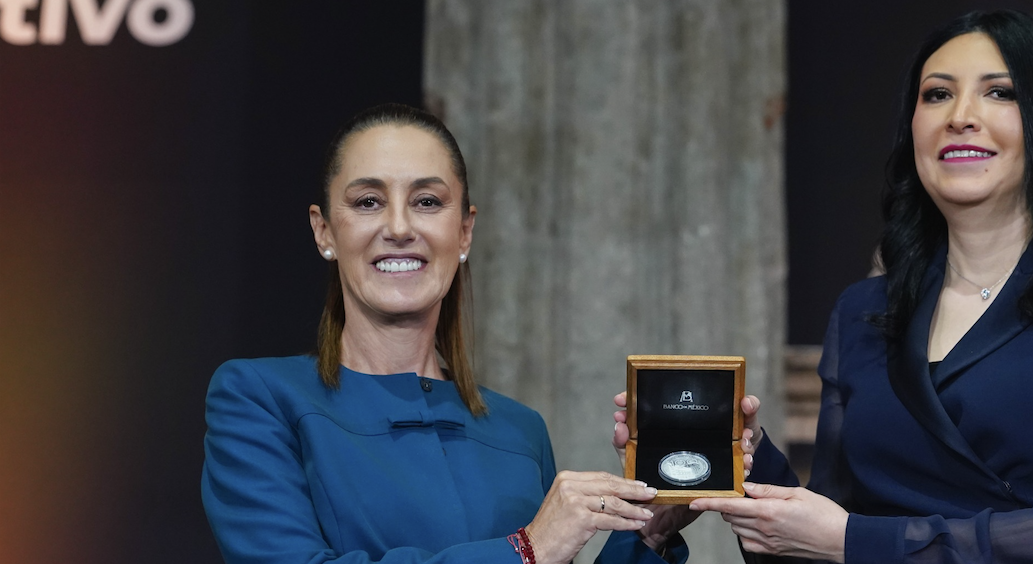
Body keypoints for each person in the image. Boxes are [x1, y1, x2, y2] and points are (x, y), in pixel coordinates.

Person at [692, 10, 1033, 563]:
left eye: (999, 93)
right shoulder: (863, 309)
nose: (961, 117)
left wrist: (855, 540)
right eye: (936, 95)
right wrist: (747, 455)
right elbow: (816, 540)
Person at [201, 104, 689, 564]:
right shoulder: (258, 398)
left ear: (464, 232)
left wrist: (649, 532)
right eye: (368, 201)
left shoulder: (520, 430)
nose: (398, 226)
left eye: (427, 201)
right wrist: (525, 550)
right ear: (324, 230)